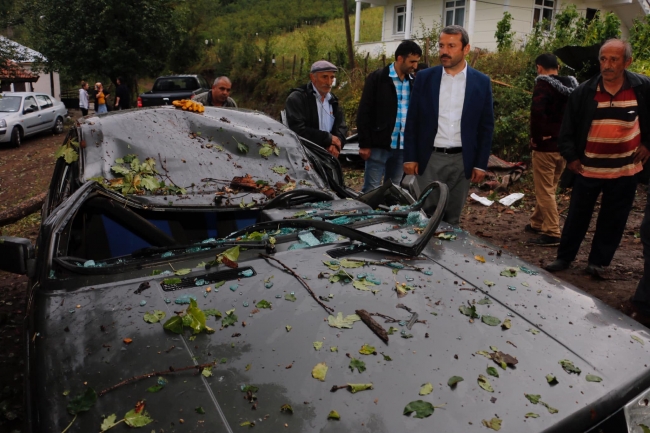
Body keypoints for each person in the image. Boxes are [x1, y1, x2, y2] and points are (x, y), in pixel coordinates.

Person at [545, 39, 650, 276]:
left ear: (627, 62)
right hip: (588, 168)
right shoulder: (584, 92)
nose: (607, 65)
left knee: (614, 218)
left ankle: (598, 263)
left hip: (626, 169)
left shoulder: (642, 88)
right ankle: (564, 258)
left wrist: (648, 145)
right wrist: (571, 157)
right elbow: (567, 130)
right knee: (576, 216)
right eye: (604, 59)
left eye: (614, 59)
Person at [403, 25, 494, 225]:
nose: (444, 51)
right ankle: (423, 255)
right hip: (431, 159)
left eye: (451, 46)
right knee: (425, 216)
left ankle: (446, 254)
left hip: (463, 161)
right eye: (442, 45)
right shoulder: (425, 78)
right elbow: (413, 119)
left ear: (466, 49)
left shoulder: (480, 82)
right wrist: (410, 156)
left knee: (452, 217)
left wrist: (480, 163)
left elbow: (486, 126)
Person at [526, 53, 578, 246]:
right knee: (550, 186)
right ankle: (537, 222)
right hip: (564, 146)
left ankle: (552, 231)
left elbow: (537, 113)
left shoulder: (543, 85)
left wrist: (537, 139)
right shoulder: (574, 87)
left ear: (539, 67)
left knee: (544, 189)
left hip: (546, 146)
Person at [357, 40, 422, 193]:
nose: (415, 66)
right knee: (371, 189)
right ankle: (369, 215)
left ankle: (387, 215)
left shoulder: (413, 83)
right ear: (400, 58)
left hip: (402, 146)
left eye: (417, 62)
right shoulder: (378, 78)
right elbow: (364, 111)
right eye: (412, 61)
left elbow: (417, 116)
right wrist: (364, 143)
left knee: (393, 190)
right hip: (380, 144)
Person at [285, 60, 347, 157]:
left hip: (329, 156)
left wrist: (336, 145)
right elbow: (297, 130)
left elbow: (341, 127)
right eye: (325, 77)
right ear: (313, 77)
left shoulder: (333, 100)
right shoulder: (298, 98)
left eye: (332, 77)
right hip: (304, 156)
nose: (329, 82)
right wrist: (328, 138)